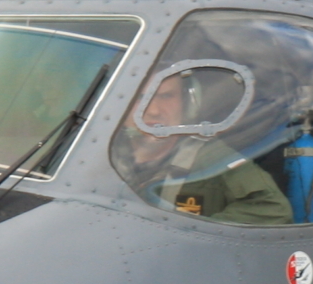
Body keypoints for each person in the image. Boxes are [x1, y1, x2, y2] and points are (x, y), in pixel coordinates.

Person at [120, 67, 293, 225]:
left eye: (166, 96)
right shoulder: (104, 155)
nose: (153, 110)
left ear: (188, 103)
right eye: (140, 98)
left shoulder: (212, 157)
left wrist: (195, 231)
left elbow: (272, 209)